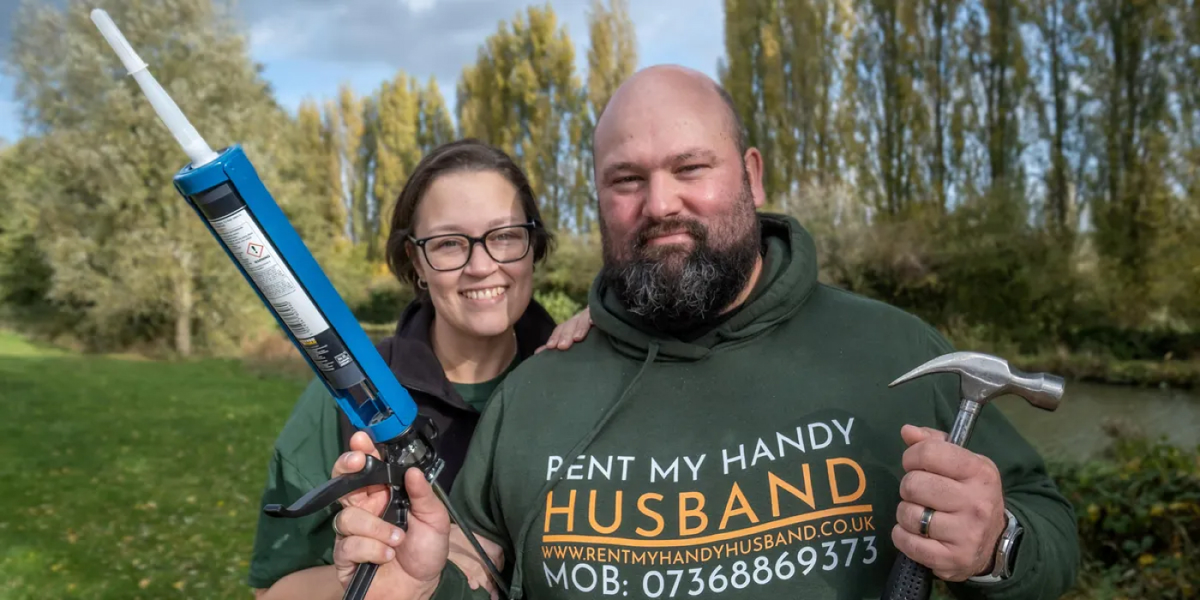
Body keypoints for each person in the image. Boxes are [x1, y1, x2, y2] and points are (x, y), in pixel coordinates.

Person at [328, 65, 1081, 600]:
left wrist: (996, 546)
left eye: (692, 166)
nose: (660, 203)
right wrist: (421, 592)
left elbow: (1050, 538)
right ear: (598, 199)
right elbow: (480, 584)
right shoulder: (535, 394)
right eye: (627, 180)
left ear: (751, 176)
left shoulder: (894, 351)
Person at [248, 139, 594, 599]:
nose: (482, 265)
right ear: (416, 262)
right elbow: (274, 592)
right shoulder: (351, 394)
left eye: (505, 236)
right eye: (449, 243)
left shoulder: (591, 376)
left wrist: (616, 328)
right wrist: (391, 576)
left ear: (533, 245)